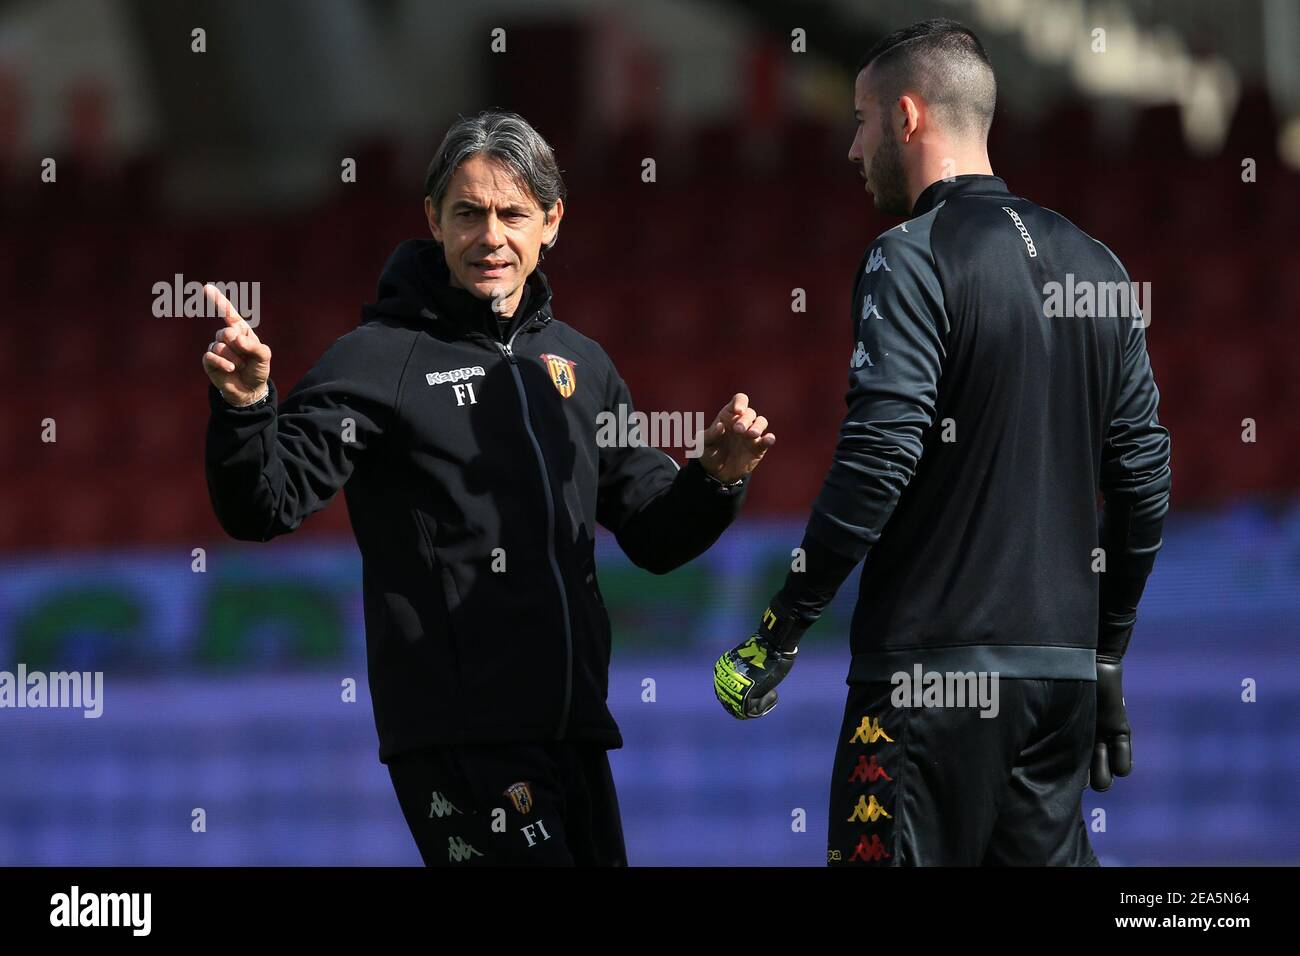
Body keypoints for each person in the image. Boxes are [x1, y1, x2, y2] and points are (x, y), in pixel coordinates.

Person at [202, 110, 776, 866]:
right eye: (469, 213)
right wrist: (246, 408)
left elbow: (654, 533)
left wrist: (716, 479)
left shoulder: (582, 365)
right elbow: (263, 505)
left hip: (574, 730)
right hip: (460, 738)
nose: (491, 236)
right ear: (434, 219)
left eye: (513, 214)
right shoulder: (375, 361)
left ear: (552, 223)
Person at [713, 19, 1171, 866]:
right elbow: (1143, 478)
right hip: (1058, 691)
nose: (852, 149)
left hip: (925, 690)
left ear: (907, 117)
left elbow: (879, 456)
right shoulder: (1100, 267)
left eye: (860, 121)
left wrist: (779, 631)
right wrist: (1103, 658)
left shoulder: (910, 257)